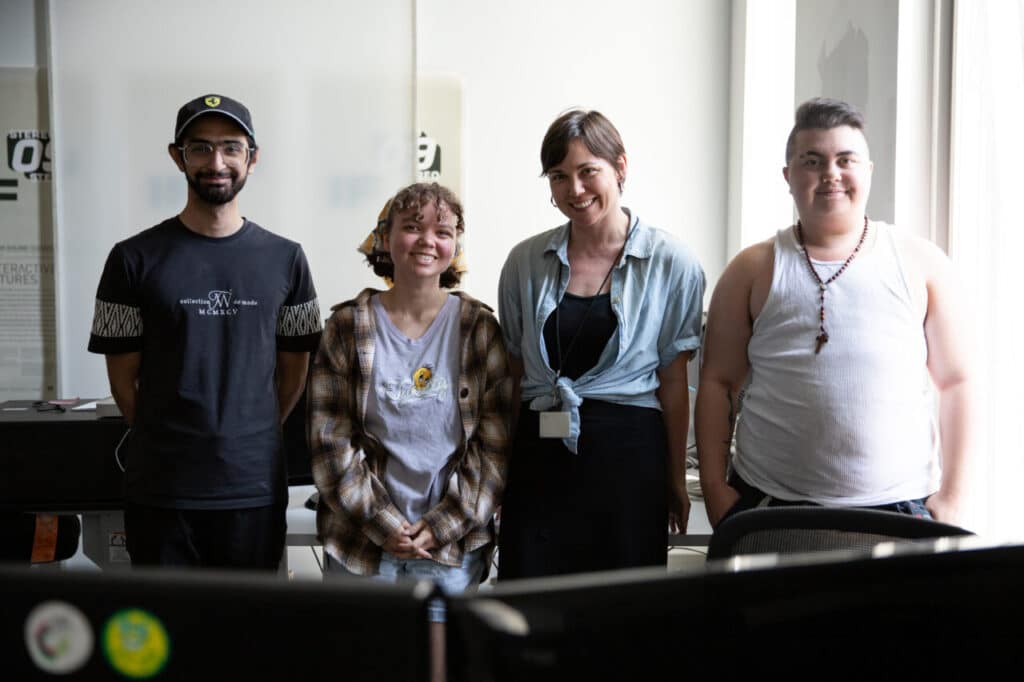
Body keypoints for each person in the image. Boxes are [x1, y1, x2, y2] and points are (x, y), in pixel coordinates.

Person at [696, 97, 973, 529]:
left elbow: (958, 382)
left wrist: (952, 497)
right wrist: (716, 491)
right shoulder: (751, 269)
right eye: (813, 161)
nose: (831, 174)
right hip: (770, 505)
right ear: (789, 177)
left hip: (902, 508)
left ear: (868, 171)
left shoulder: (921, 263)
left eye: (846, 160)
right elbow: (717, 383)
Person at [88, 94, 322, 570]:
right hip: (162, 488)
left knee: (245, 633)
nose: (217, 162)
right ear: (178, 156)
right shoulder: (131, 260)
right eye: (200, 148)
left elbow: (295, 369)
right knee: (165, 634)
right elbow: (122, 382)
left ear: (252, 159)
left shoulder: (287, 259)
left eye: (231, 148)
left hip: (251, 488)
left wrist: (246, 432)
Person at [308, 183, 511, 679]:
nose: (427, 241)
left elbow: (494, 447)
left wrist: (439, 526)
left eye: (442, 231)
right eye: (412, 227)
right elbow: (330, 442)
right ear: (385, 238)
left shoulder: (479, 329)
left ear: (454, 246)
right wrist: (386, 526)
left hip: (451, 547)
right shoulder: (346, 327)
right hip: (362, 546)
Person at [496, 110, 706, 579]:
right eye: (559, 176)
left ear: (621, 167)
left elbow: (675, 382)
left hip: (629, 459)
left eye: (589, 171)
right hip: (539, 458)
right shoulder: (525, 262)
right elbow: (513, 375)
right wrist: (504, 471)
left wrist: (674, 478)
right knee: (530, 603)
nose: (575, 189)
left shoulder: (672, 263)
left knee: (620, 614)